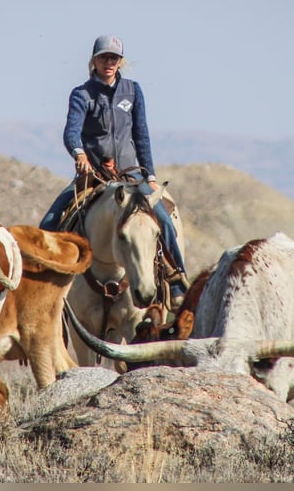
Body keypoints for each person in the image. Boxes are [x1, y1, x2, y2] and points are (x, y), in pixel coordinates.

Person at [40, 34, 189, 302]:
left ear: (121, 62)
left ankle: (177, 283)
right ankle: (44, 297)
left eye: (114, 58)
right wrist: (80, 154)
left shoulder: (133, 91)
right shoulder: (82, 94)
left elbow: (141, 136)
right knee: (49, 223)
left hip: (131, 175)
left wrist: (151, 176)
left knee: (165, 220)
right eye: (103, 57)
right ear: (94, 60)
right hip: (94, 176)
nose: (109, 62)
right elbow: (71, 133)